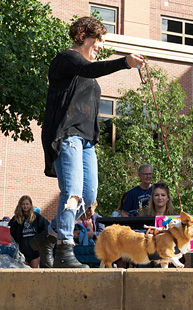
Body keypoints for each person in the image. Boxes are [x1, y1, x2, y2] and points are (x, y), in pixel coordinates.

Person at [29, 16, 145, 268]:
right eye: (99, 40)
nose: (101, 46)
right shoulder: (66, 59)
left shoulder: (85, 72)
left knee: (89, 194)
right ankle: (64, 247)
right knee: (71, 192)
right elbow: (88, 69)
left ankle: (47, 237)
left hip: (86, 141)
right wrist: (125, 62)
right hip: (66, 135)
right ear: (82, 35)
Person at [9, 196, 50, 268]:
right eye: (23, 204)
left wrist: (40, 240)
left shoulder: (36, 216)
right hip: (21, 250)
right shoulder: (16, 218)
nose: (25, 206)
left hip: (34, 250)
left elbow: (47, 228)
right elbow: (10, 233)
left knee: (35, 273)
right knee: (25, 273)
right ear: (20, 205)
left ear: (30, 205)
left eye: (27, 204)